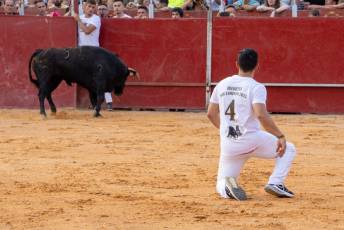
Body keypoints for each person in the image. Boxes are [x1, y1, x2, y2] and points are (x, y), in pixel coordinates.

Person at [207, 48, 296, 201]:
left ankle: (226, 188)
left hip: (230, 144)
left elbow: (210, 113)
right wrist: (280, 135)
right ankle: (276, 183)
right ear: (256, 66)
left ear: (237, 64)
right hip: (252, 139)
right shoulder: (256, 87)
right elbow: (261, 114)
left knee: (222, 181)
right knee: (289, 149)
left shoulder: (222, 84)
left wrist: (225, 129)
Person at [74, 0, 114, 111]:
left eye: (93, 7)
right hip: (82, 52)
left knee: (100, 78)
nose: (91, 9)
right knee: (90, 80)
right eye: (89, 6)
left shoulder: (95, 18)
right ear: (84, 6)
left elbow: (87, 31)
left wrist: (78, 21)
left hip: (94, 53)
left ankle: (109, 102)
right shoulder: (80, 17)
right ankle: (95, 102)